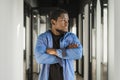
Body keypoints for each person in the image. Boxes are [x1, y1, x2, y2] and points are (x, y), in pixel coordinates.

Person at [35, 8, 83, 80]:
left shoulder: (71, 37)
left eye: (67, 21)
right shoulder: (42, 38)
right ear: (53, 22)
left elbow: (78, 53)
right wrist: (65, 53)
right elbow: (39, 58)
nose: (66, 24)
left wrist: (55, 52)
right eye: (63, 20)